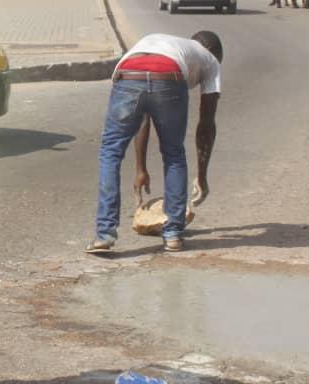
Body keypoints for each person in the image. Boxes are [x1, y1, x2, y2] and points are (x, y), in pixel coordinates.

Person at [86, 31, 222, 254]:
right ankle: (173, 235)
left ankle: (104, 234)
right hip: (169, 76)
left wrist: (141, 168)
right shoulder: (210, 60)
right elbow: (206, 124)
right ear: (215, 52)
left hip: (128, 72)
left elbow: (142, 117)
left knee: (111, 152)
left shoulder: (166, 43)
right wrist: (202, 175)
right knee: (174, 153)